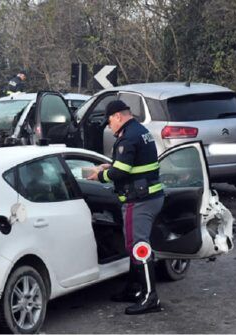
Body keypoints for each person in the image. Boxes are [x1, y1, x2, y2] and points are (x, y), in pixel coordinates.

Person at [87, 100, 164, 315]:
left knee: (139, 248)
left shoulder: (127, 137)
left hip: (138, 200)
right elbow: (132, 164)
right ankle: (133, 288)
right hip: (151, 196)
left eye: (109, 121)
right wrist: (110, 166)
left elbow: (120, 172)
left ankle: (150, 297)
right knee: (135, 245)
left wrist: (100, 175)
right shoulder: (140, 131)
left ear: (118, 116)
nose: (108, 126)